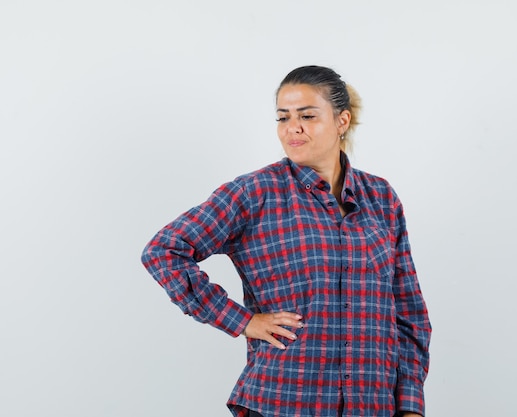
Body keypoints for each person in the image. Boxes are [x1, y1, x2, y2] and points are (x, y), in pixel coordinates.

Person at [141, 65, 431, 417]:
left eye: (307, 115)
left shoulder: (381, 198)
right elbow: (164, 251)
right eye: (283, 117)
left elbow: (408, 312)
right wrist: (243, 321)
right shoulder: (255, 192)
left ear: (342, 121)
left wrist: (411, 406)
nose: (293, 127)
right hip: (285, 401)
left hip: (372, 406)